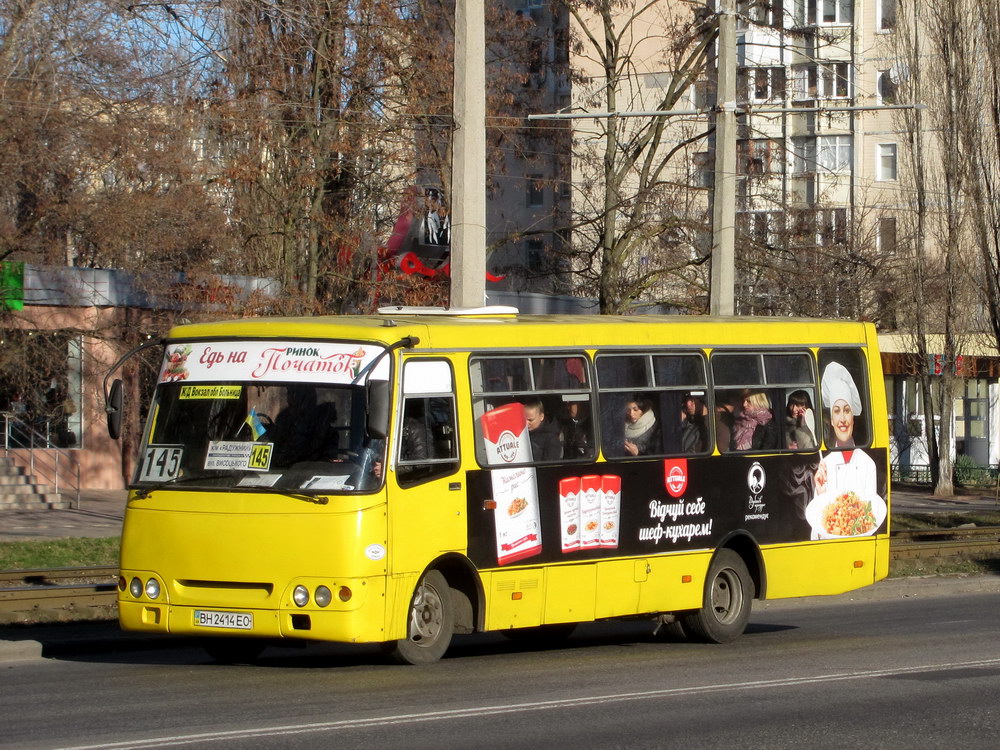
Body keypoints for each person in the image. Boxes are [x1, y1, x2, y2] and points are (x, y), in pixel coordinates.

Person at [814, 362, 877, 497]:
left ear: (853, 418)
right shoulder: (825, 467)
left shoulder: (867, 464)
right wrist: (821, 493)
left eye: (847, 411)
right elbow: (819, 516)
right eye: (836, 411)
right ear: (831, 420)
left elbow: (871, 514)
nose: (842, 419)